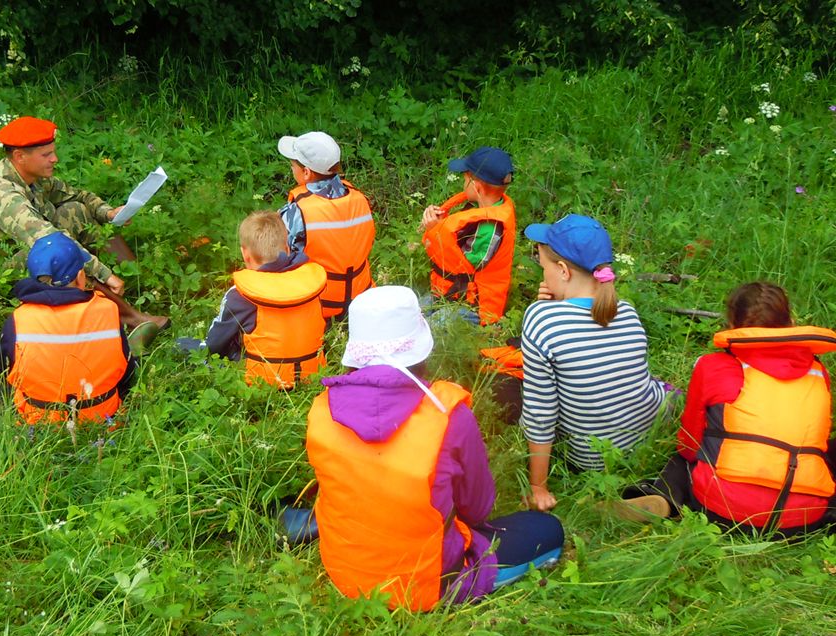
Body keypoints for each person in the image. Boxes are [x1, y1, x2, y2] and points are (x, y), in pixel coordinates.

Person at [305, 286, 564, 611]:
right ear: (420, 351)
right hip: (428, 584)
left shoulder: (321, 409)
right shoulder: (447, 415)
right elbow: (478, 509)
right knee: (547, 529)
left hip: (345, 572)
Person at [615, 282, 836, 536]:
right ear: (790, 322)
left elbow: (689, 441)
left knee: (686, 458)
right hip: (801, 519)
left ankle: (666, 495)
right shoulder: (818, 372)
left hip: (723, 510)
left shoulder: (714, 366)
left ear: (732, 324)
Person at [0, 115, 166, 337]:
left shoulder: (31, 173)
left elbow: (78, 196)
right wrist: (103, 273)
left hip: (17, 244)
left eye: (53, 152)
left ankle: (138, 284)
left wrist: (108, 213)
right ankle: (129, 319)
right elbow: (50, 240)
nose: (54, 159)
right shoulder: (3, 195)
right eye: (46, 155)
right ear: (19, 156)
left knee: (75, 210)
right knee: (57, 255)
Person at [521, 215, 667, 512]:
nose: (543, 273)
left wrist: (538, 487)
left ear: (563, 271)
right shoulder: (626, 311)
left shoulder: (541, 318)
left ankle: (597, 500)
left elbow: (541, 413)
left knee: (513, 390)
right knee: (658, 386)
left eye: (544, 265)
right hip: (642, 441)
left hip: (589, 457)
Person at [0, 232, 136, 425]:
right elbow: (127, 372)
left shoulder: (20, 319)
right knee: (130, 364)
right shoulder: (108, 310)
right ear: (81, 277)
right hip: (100, 417)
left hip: (41, 421)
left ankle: (11, 417)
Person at [204, 211, 327, 389]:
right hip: (312, 374)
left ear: (245, 255)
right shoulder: (311, 283)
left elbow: (215, 343)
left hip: (263, 381)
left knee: (186, 346)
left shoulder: (239, 294)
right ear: (287, 248)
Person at [277, 131, 375, 321]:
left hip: (317, 305)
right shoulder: (360, 199)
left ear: (306, 172)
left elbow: (279, 259)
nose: (292, 169)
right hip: (360, 300)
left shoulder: (296, 211)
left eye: (293, 165)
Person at [421, 146, 517, 325]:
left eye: (465, 178)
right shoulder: (481, 209)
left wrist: (436, 231)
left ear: (476, 186)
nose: (463, 183)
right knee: (414, 312)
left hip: (473, 305)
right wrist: (442, 225)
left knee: (429, 328)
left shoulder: (491, 228)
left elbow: (462, 267)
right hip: (453, 293)